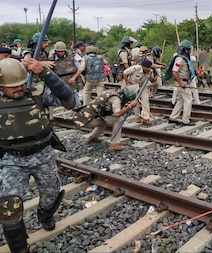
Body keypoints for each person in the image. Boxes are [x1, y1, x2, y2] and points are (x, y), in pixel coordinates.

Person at [0, 58, 76, 252]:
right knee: (8, 206)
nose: (18, 89)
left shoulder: (36, 94)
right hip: (12, 160)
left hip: (43, 155)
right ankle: (19, 248)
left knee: (51, 194)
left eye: (20, 84)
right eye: (12, 86)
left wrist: (45, 72)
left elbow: (70, 100)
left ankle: (45, 215)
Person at [74, 84, 140, 151]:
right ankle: (115, 144)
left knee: (105, 121)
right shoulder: (116, 99)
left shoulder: (113, 92)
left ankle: (93, 137)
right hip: (88, 120)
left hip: (85, 117)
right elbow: (117, 114)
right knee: (118, 119)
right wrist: (130, 106)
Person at [168, 40, 196, 126]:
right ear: (185, 50)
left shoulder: (184, 58)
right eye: (189, 50)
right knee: (189, 100)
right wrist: (180, 83)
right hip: (182, 83)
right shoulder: (179, 58)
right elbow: (174, 71)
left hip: (184, 82)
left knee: (180, 100)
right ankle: (185, 120)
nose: (190, 51)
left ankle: (173, 117)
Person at [50, 41, 83, 108]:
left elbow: (80, 69)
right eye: (59, 51)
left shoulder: (71, 57)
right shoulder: (51, 59)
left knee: (76, 99)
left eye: (62, 51)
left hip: (72, 80)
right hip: (60, 81)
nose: (61, 53)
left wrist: (74, 78)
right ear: (56, 51)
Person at [123, 59, 156, 125]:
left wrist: (154, 80)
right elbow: (124, 73)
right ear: (143, 66)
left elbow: (151, 79)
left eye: (149, 67)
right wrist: (127, 83)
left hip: (143, 86)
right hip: (133, 85)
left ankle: (146, 118)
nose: (148, 69)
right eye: (147, 67)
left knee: (145, 100)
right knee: (135, 102)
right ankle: (137, 116)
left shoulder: (150, 72)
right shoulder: (135, 68)